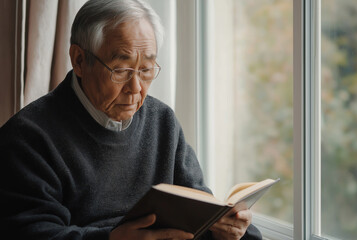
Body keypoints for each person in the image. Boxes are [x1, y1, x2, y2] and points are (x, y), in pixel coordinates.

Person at [0, 0, 262, 239]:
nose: (136, 88)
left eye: (146, 70)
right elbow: (31, 233)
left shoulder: (162, 122)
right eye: (121, 70)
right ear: (79, 61)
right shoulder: (28, 137)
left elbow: (198, 209)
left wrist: (229, 229)